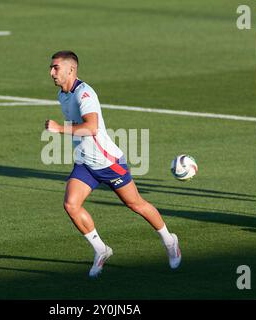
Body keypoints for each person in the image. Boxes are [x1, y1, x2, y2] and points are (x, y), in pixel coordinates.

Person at [45, 50, 181, 277]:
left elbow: (91, 128)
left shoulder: (85, 94)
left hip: (108, 163)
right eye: (51, 67)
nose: (51, 72)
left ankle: (169, 240)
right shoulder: (62, 94)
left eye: (55, 67)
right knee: (71, 205)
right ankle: (101, 249)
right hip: (85, 163)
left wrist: (59, 129)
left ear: (71, 69)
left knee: (135, 204)